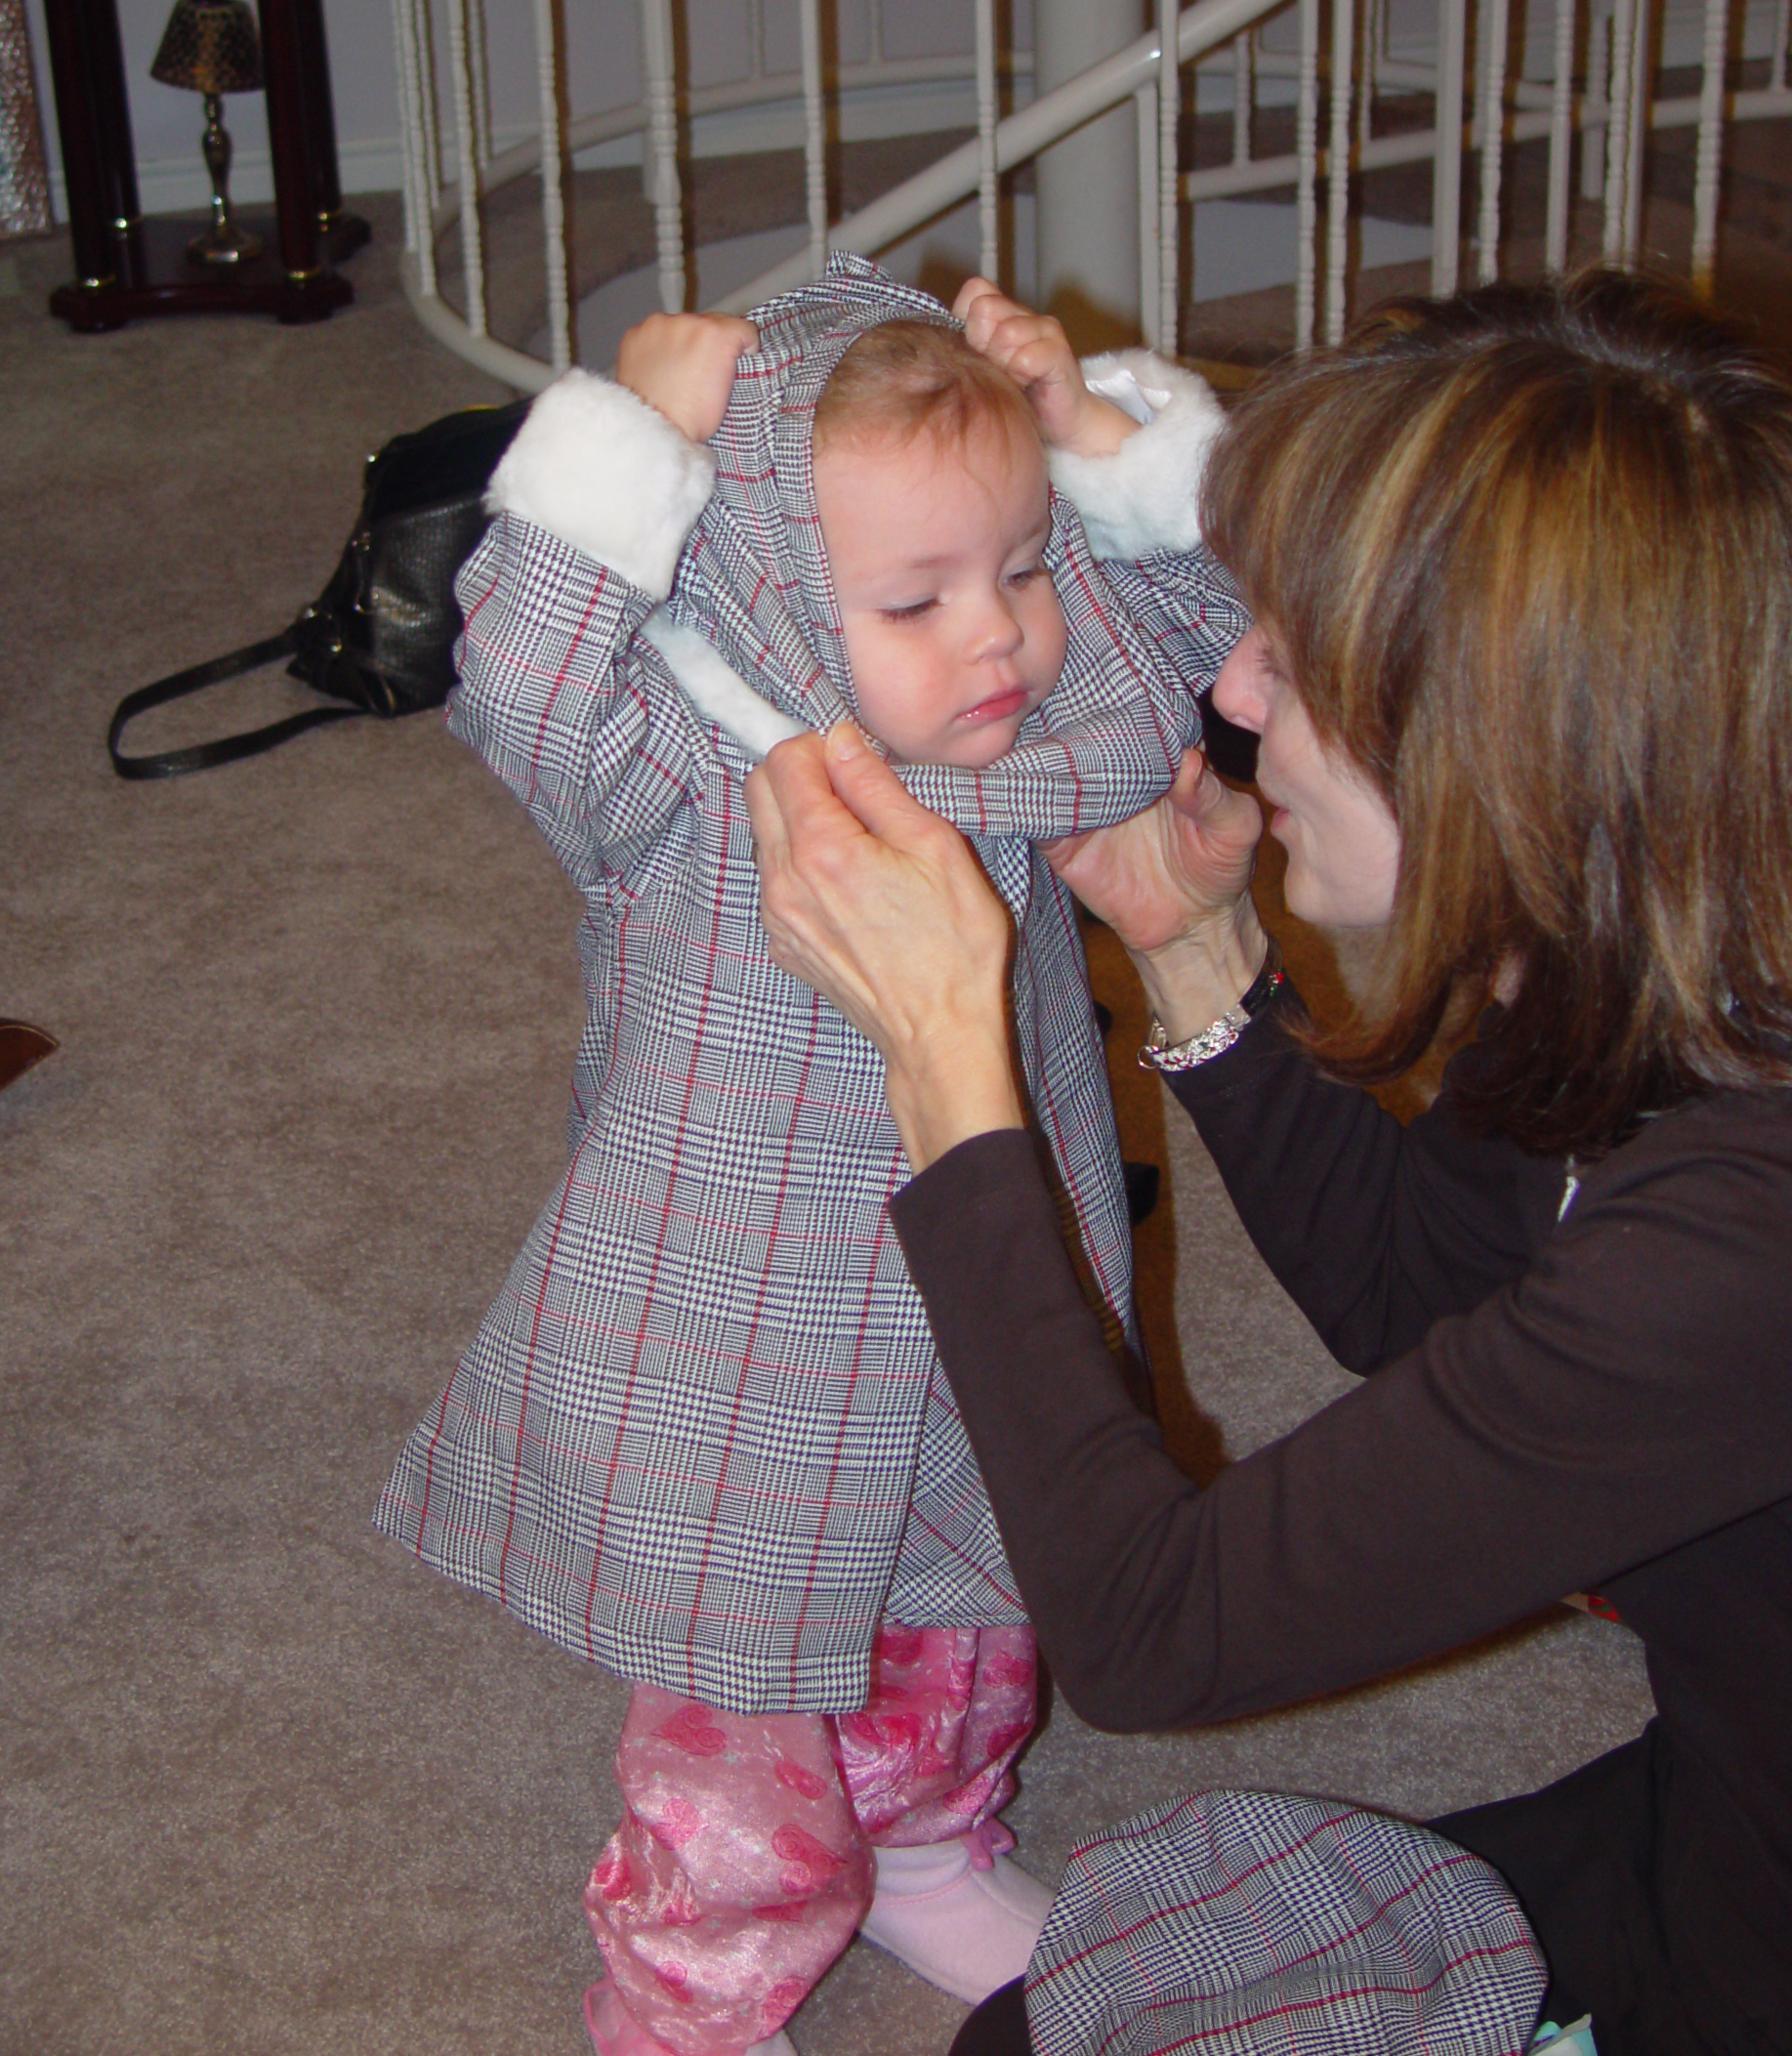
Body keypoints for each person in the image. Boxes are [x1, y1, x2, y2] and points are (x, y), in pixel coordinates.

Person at [746, 269, 1792, 2056]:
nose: (1230, 686)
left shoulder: (1745, 1233)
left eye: (1292, 655)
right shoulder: (1639, 948)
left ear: (1503, 751)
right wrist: (1194, 952)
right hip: (1727, 1804)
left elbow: (1151, 1630)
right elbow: (1428, 1296)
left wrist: (947, 1057)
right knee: (1065, 2024)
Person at [373, 253, 1248, 2056]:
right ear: (771, 588)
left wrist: (1094, 445)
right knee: (740, 1729)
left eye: (1016, 569)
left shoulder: (1040, 742)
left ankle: (932, 1839)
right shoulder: (687, 768)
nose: (995, 634)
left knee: (990, 1601)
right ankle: (683, 1998)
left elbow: (1204, 645)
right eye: (917, 598)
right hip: (733, 1345)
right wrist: (628, 440)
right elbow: (518, 686)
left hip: (991, 1284)